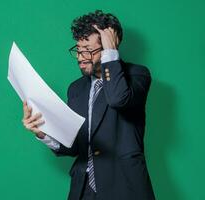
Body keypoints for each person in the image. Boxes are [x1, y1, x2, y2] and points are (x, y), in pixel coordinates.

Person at [22, 10, 155, 200]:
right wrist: (41, 132)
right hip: (83, 189)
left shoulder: (137, 75)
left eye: (88, 50)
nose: (80, 57)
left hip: (125, 187)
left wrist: (111, 53)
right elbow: (74, 145)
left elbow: (118, 98)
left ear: (110, 45)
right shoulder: (76, 89)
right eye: (78, 49)